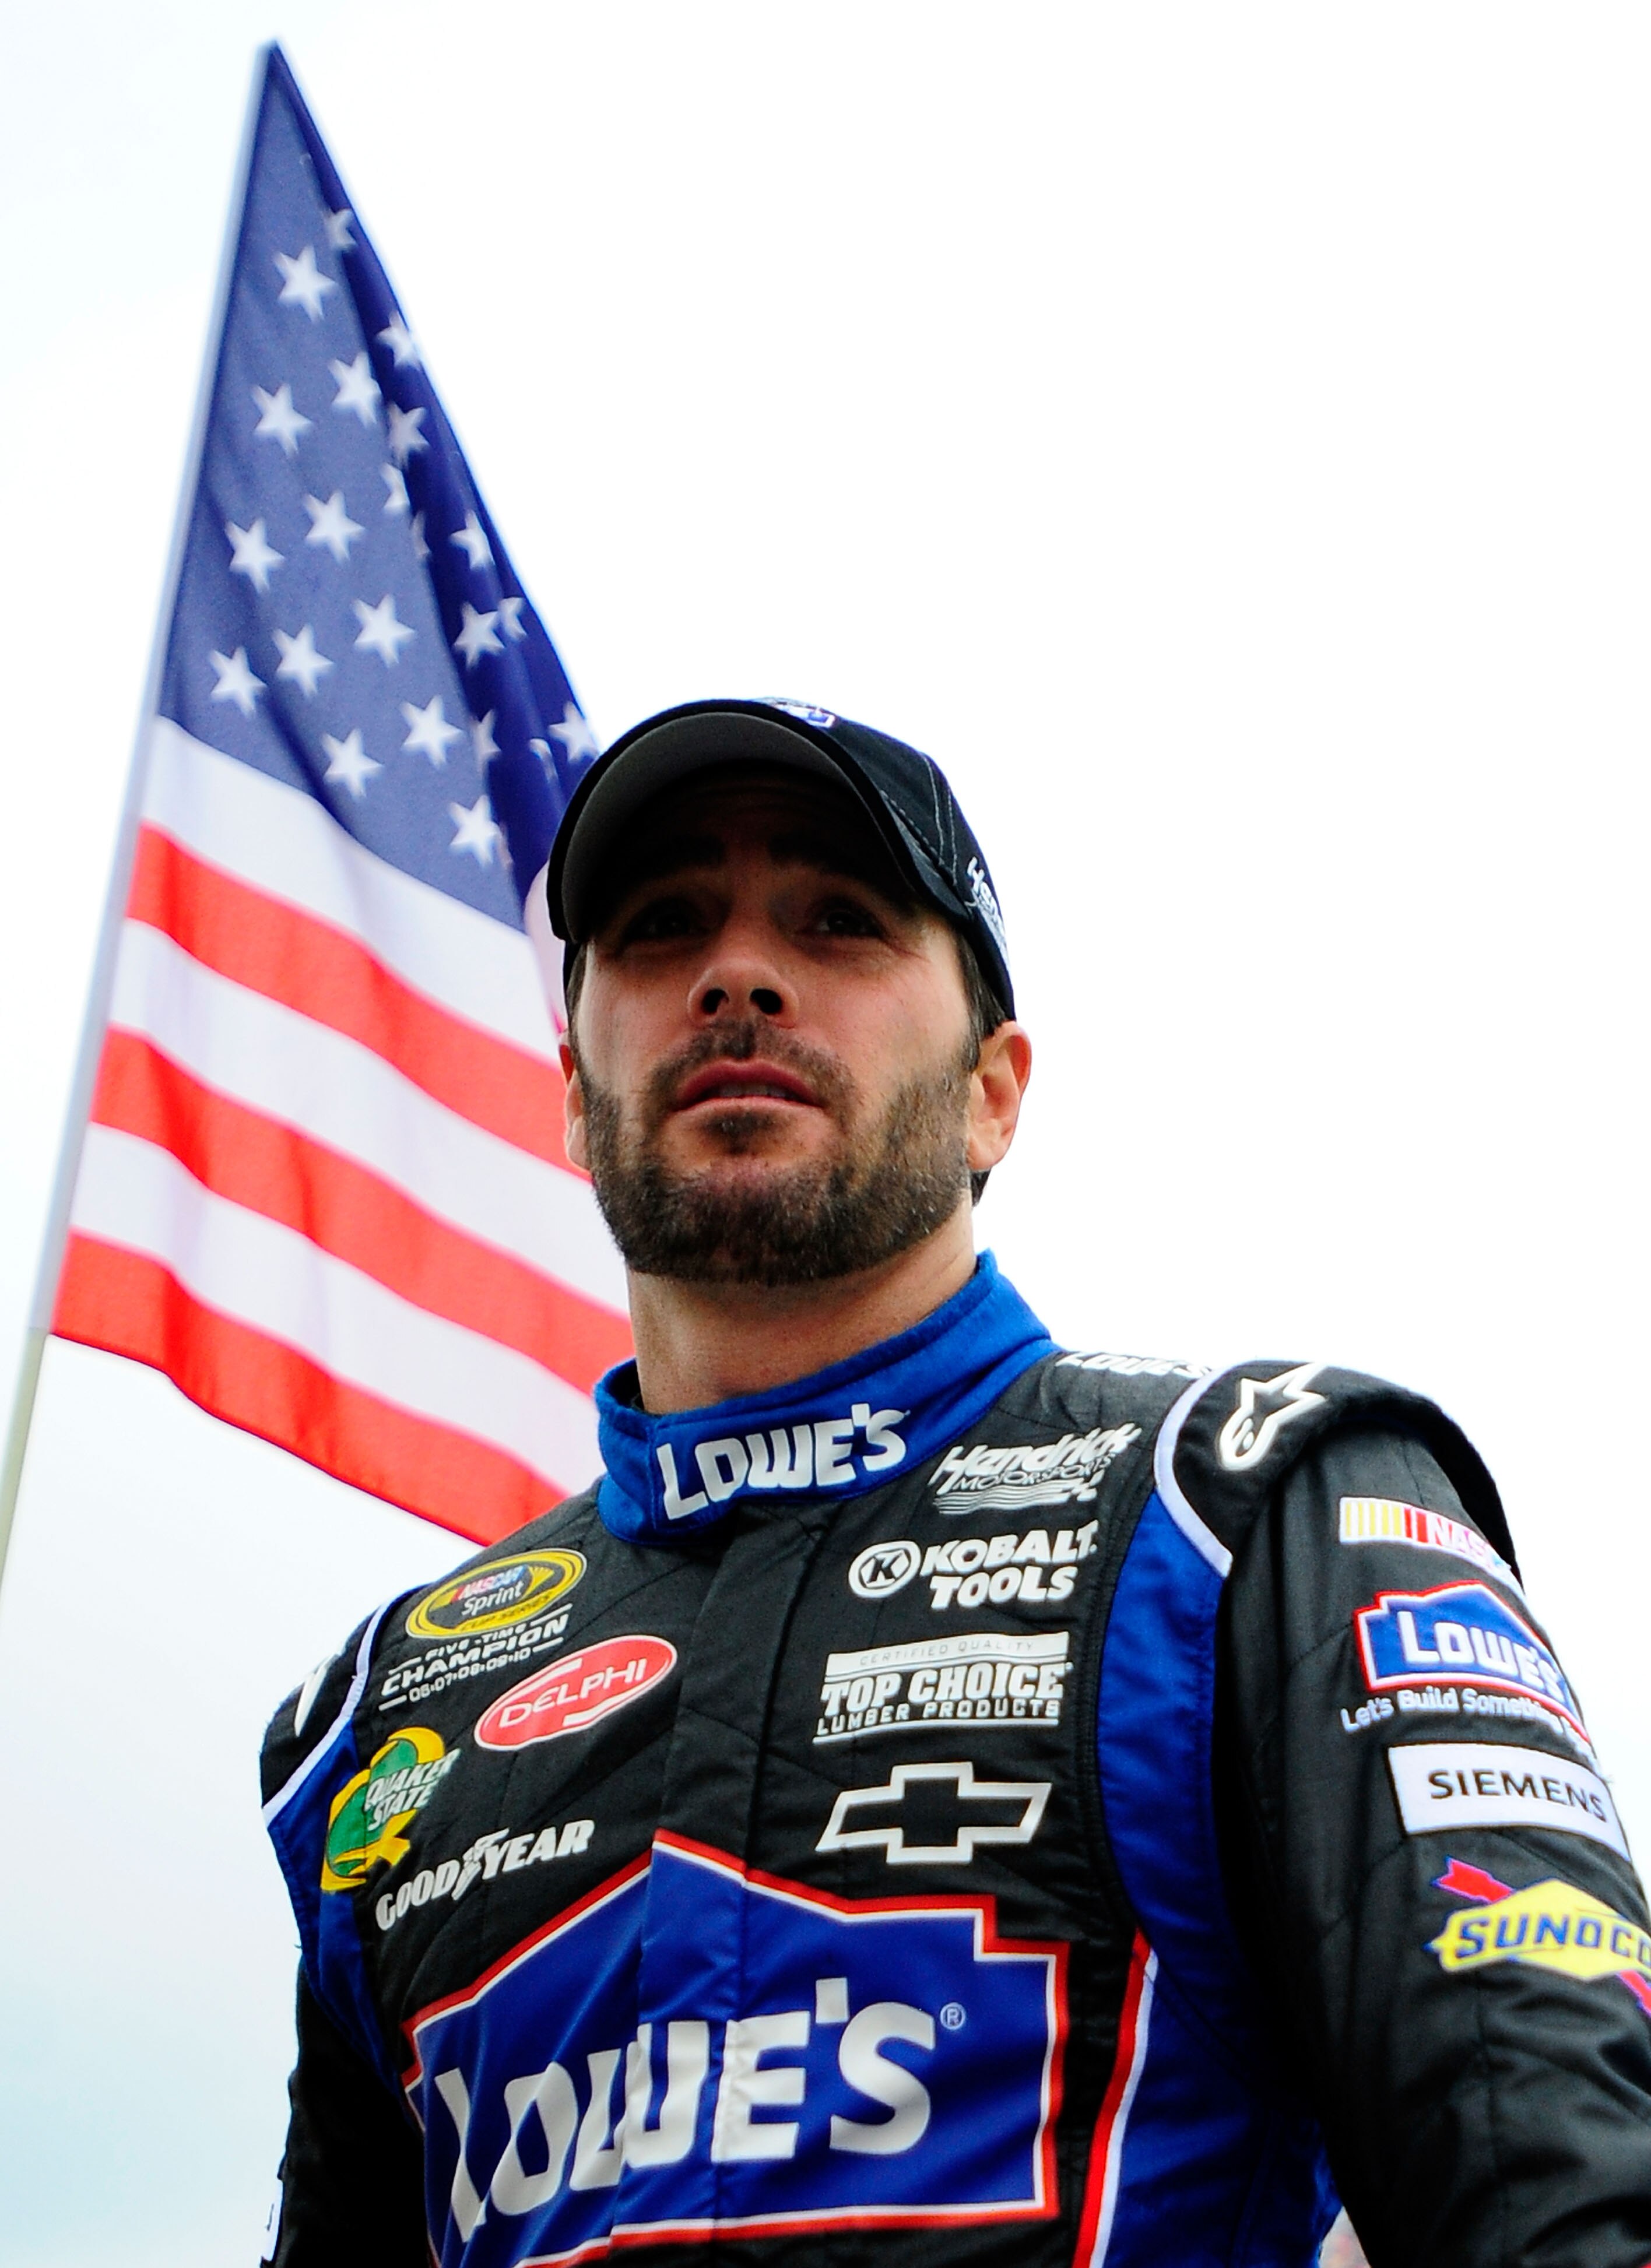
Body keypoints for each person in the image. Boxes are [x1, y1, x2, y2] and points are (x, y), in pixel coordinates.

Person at [259, 698, 1651, 2268]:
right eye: (660, 930)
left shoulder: (1256, 1514)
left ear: (997, 1088)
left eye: (839, 921)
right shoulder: (388, 1715)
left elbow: (1567, 2194)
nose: (737, 973)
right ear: (576, 1097)